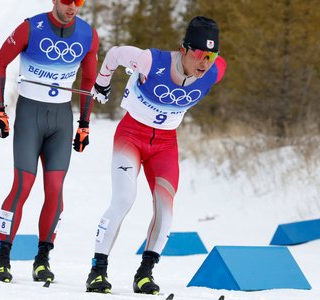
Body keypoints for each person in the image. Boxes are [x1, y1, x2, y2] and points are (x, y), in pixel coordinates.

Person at [85, 16, 226, 294]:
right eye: (199, 54)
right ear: (183, 49)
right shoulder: (151, 61)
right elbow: (114, 55)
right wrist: (102, 84)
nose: (205, 62)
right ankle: (97, 271)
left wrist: (211, 61)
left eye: (211, 55)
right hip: (131, 136)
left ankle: (144, 274)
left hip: (165, 145)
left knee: (165, 210)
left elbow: (219, 65)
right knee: (124, 199)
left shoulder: (214, 71)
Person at [0, 0, 98, 284]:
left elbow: (88, 81)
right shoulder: (30, 27)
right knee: (22, 185)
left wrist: (84, 124)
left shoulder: (88, 34)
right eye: (67, 1)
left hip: (61, 120)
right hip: (29, 116)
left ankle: (42, 259)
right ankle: (3, 257)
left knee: (55, 189)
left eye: (79, 1)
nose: (73, 6)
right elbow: (0, 63)